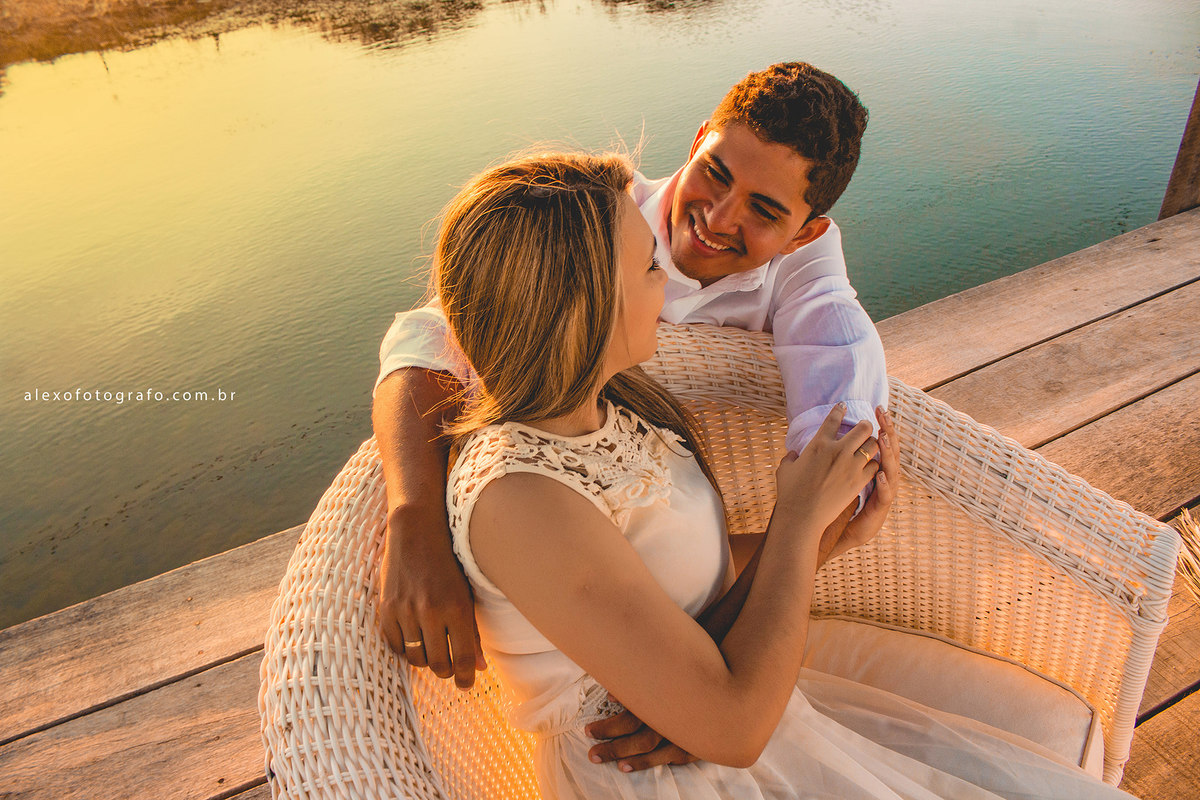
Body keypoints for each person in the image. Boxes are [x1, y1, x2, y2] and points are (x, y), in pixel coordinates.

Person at [428, 151, 1136, 800]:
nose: (668, 282)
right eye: (649, 268)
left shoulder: (609, 408)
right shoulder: (520, 500)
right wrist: (797, 523)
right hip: (657, 779)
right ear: (582, 306)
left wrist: (831, 535)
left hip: (719, 720)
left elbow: (682, 592)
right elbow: (734, 729)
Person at [374, 63, 889, 702]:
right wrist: (415, 518)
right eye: (716, 172)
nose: (716, 218)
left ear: (806, 232)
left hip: (669, 578)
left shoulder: (813, 285)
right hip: (567, 550)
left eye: (763, 210)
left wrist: (819, 513)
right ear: (701, 138)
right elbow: (430, 337)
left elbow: (840, 423)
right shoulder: (596, 214)